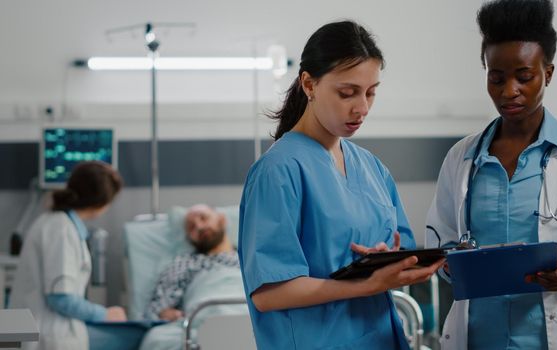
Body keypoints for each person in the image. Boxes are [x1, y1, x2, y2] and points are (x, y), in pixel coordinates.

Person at [425, 1, 557, 349]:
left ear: (548, 72)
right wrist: (452, 263)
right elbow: (439, 244)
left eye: (524, 77)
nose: (508, 91)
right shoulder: (461, 159)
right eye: (496, 77)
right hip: (477, 339)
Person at [238, 20, 445, 350]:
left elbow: (403, 250)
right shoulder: (277, 172)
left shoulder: (371, 168)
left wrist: (390, 258)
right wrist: (367, 284)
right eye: (347, 93)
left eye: (371, 92)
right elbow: (269, 293)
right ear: (309, 84)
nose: (361, 107)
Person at [10, 161, 126, 350]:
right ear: (102, 202)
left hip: (30, 329)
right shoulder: (61, 230)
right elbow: (60, 298)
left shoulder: (53, 222)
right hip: (45, 336)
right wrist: (105, 314)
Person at [139, 204, 245, 350]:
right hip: (201, 323)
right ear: (188, 238)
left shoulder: (248, 258)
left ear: (222, 220)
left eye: (204, 218)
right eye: (191, 227)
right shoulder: (183, 263)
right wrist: (166, 313)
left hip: (246, 317)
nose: (199, 226)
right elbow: (156, 310)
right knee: (155, 340)